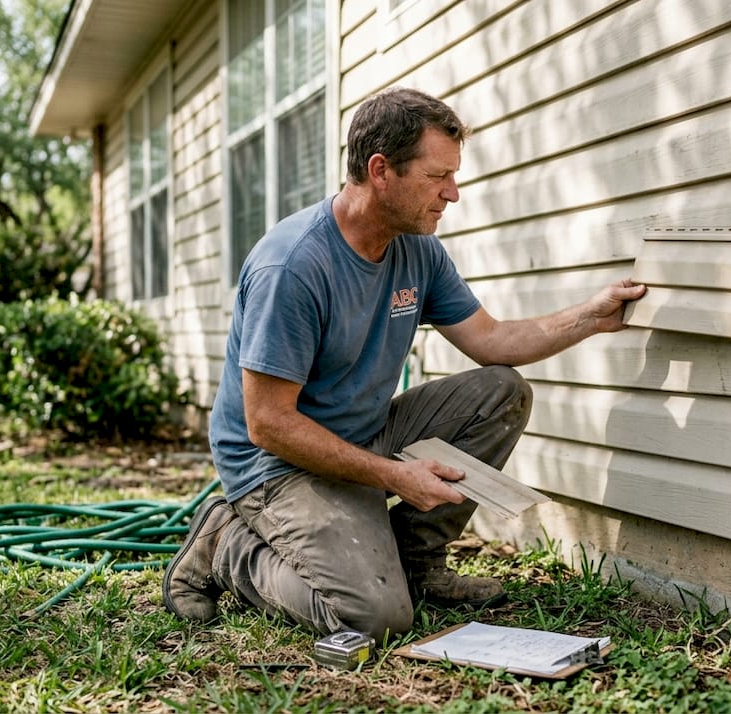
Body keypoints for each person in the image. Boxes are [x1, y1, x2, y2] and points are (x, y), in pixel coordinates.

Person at [163, 87, 646, 642]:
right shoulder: (292, 266)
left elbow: (491, 342)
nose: (453, 194)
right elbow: (267, 423)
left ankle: (417, 565)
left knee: (500, 392)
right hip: (277, 465)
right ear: (381, 170)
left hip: (361, 433)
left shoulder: (418, 249)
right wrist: (395, 477)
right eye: (437, 176)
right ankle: (226, 544)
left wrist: (589, 316)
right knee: (373, 618)